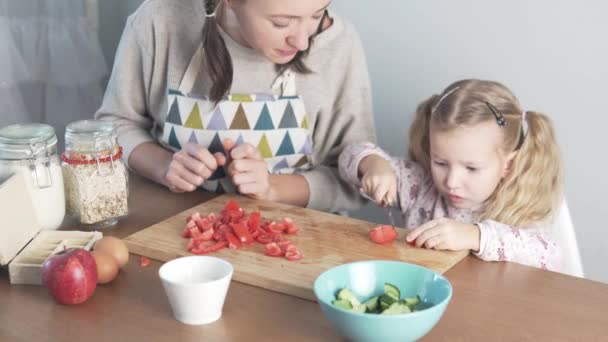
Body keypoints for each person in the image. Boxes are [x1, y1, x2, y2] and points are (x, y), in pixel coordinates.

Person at [95, 0, 375, 212]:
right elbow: (114, 125)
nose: (302, 41)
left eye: (317, 14)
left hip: (300, 244)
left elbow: (356, 177)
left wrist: (273, 188)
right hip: (171, 228)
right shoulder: (159, 19)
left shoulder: (339, 43)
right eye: (281, 23)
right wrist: (164, 166)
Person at [339, 79, 563, 271]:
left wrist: (475, 236)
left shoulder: (518, 205)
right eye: (441, 162)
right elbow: (348, 154)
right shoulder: (419, 185)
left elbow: (550, 254)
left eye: (471, 168)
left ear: (508, 164)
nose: (451, 182)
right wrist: (374, 165)